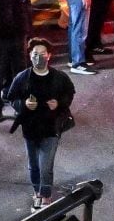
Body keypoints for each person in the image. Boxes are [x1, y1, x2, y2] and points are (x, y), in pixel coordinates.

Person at [9, 40, 76, 207]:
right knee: (33, 165)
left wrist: (59, 104)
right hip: (30, 129)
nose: (38, 57)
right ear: (30, 56)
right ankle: (36, 191)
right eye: (35, 54)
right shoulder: (22, 77)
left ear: (49, 56)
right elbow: (11, 97)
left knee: (45, 166)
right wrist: (23, 104)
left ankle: (45, 195)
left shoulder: (59, 77)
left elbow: (69, 94)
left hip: (51, 129)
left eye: (42, 54)